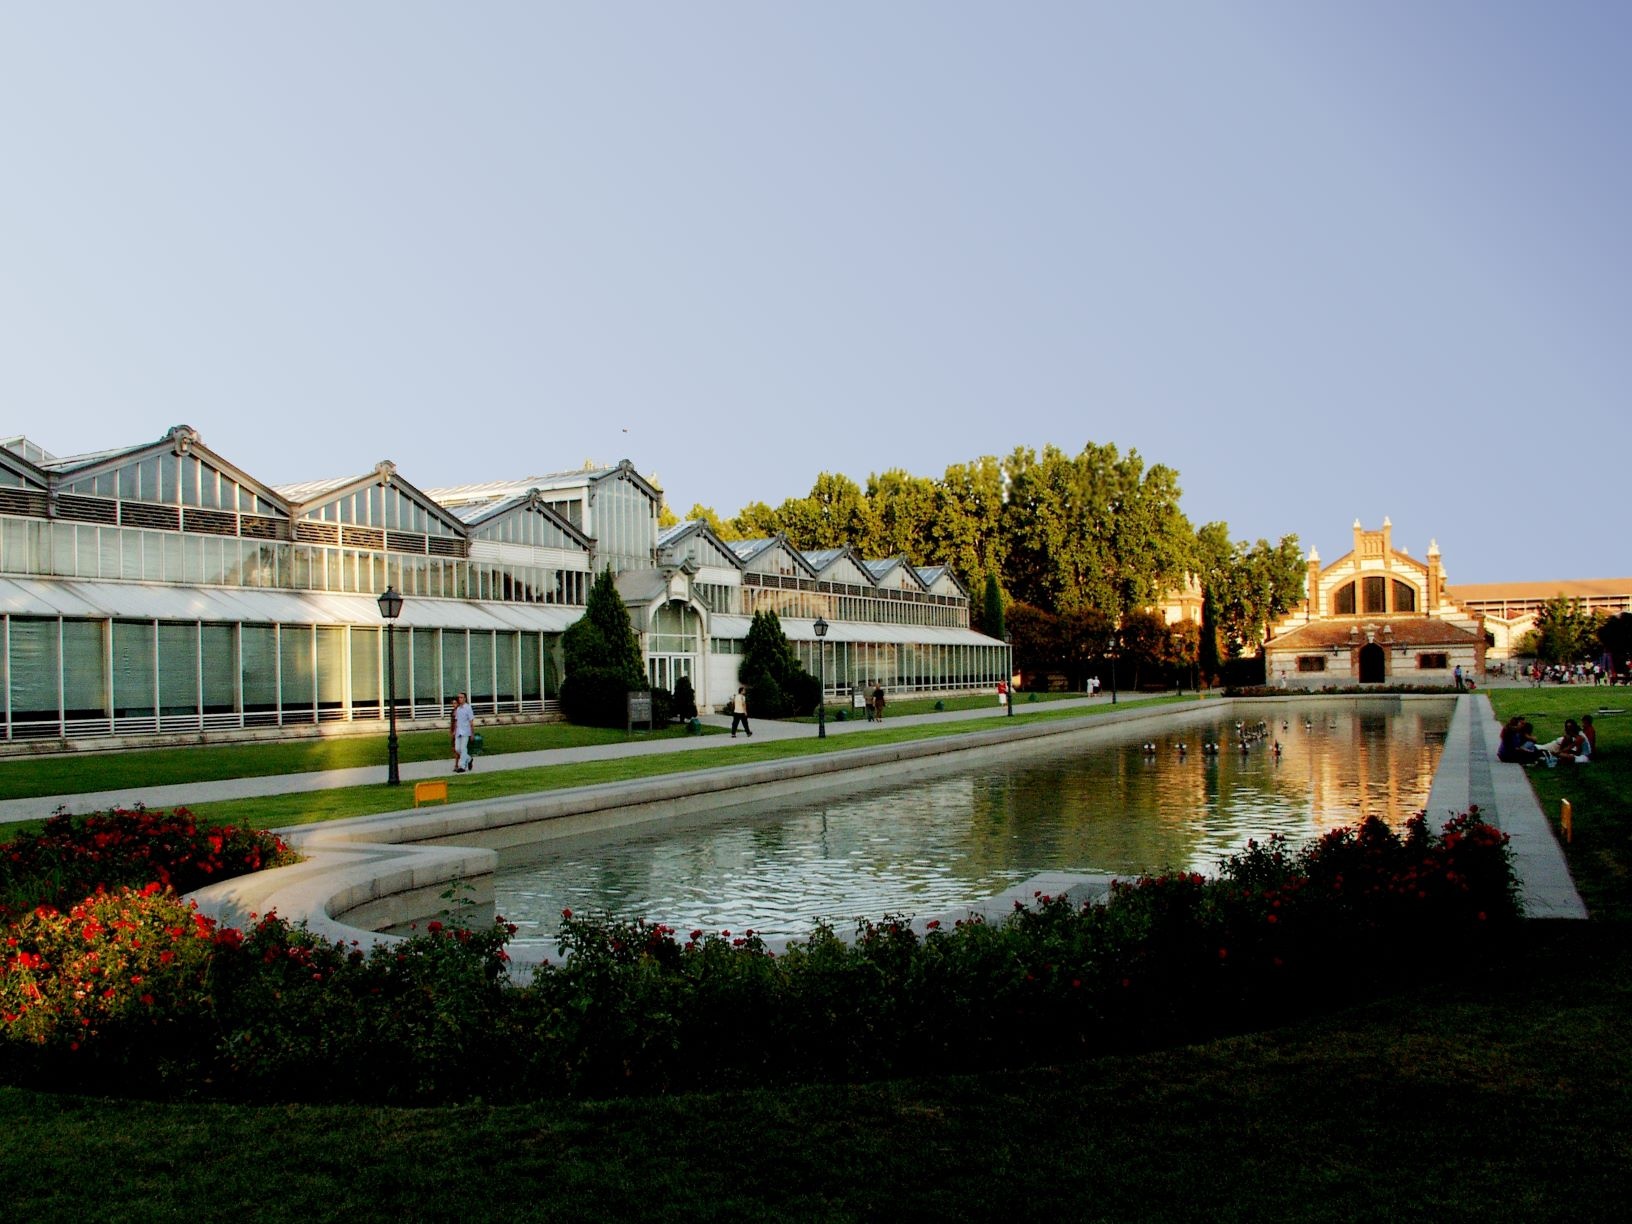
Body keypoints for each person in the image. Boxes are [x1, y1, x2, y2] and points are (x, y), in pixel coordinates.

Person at [453, 690, 475, 772]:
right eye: (459, 697)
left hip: (466, 731)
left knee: (463, 748)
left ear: (465, 699)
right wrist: (455, 731)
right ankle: (469, 759)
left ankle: (462, 766)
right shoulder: (458, 709)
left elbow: (471, 721)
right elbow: (456, 721)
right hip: (459, 731)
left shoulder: (468, 708)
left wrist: (472, 733)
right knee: (457, 749)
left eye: (461, 697)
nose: (460, 699)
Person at [448, 693, 464, 771]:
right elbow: (452, 722)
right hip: (454, 731)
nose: (454, 704)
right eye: (453, 703)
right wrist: (451, 730)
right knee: (454, 749)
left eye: (455, 703)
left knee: (458, 749)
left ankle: (457, 765)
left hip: (459, 732)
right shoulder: (453, 712)